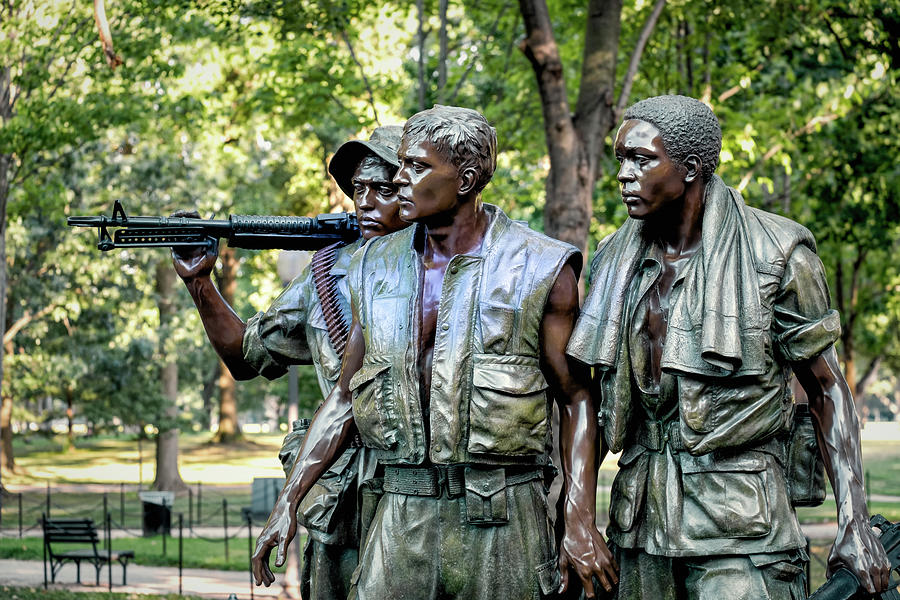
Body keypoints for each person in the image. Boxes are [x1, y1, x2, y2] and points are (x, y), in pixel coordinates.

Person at [250, 104, 618, 599]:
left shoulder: (541, 269)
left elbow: (576, 398)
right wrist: (286, 503)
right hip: (401, 513)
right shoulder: (371, 267)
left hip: (502, 518)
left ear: (465, 180)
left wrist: (579, 520)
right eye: (402, 163)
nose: (399, 179)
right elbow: (343, 400)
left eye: (417, 167)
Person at [566, 94, 891, 598]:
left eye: (642, 159)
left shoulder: (778, 254)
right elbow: (584, 396)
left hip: (740, 532)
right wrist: (580, 520)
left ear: (691, 167)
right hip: (639, 525)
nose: (624, 174)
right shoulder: (612, 259)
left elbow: (828, 390)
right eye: (621, 160)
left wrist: (853, 521)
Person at [172, 125, 408, 600]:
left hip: (418, 491)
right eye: (357, 189)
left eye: (382, 188)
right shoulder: (327, 272)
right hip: (338, 492)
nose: (364, 202)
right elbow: (245, 355)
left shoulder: (451, 270)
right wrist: (201, 284)